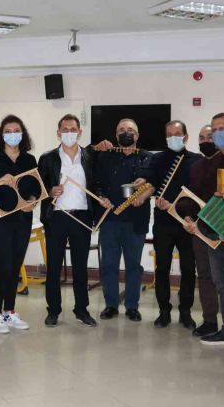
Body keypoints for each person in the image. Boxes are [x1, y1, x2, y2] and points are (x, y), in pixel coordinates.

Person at [179, 113, 224, 349]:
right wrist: (190, 217)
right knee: (223, 284)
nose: (217, 134)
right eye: (215, 129)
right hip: (212, 233)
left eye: (222, 129)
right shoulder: (213, 161)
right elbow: (203, 196)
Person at [0, 115, 37, 334]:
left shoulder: (29, 160)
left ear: (23, 134)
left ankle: (10, 311)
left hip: (23, 220)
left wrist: (32, 201)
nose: (13, 134)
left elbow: (36, 188)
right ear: (2, 135)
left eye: (16, 130)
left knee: (16, 265)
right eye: (8, 131)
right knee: (5, 266)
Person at [38, 114, 98, 328]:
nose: (69, 133)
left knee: (80, 267)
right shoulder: (47, 158)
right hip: (56, 217)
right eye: (65, 129)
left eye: (73, 129)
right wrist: (49, 192)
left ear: (80, 132)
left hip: (82, 217)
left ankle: (81, 309)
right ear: (58, 132)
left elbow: (96, 185)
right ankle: (53, 310)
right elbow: (38, 188)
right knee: (54, 266)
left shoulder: (90, 157)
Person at [93, 119, 155, 322]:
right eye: (121, 130)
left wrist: (145, 190)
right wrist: (100, 197)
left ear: (137, 135)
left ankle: (132, 306)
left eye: (130, 130)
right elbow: (96, 183)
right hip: (109, 220)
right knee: (109, 264)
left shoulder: (148, 158)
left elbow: (155, 183)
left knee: (134, 266)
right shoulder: (105, 156)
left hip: (136, 222)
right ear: (116, 135)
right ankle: (111, 305)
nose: (126, 133)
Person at [150, 120, 201, 329]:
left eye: (178, 134)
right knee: (162, 267)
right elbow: (151, 185)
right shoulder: (157, 159)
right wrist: (153, 195)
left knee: (188, 268)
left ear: (186, 136)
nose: (174, 137)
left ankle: (185, 311)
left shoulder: (197, 161)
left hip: (187, 223)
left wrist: (189, 214)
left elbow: (197, 193)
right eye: (170, 134)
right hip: (163, 222)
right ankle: (164, 311)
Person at [187, 125, 220, 338]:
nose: (205, 141)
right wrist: (188, 217)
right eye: (201, 137)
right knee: (205, 275)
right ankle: (210, 320)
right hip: (200, 229)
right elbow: (191, 196)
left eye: (210, 136)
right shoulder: (196, 166)